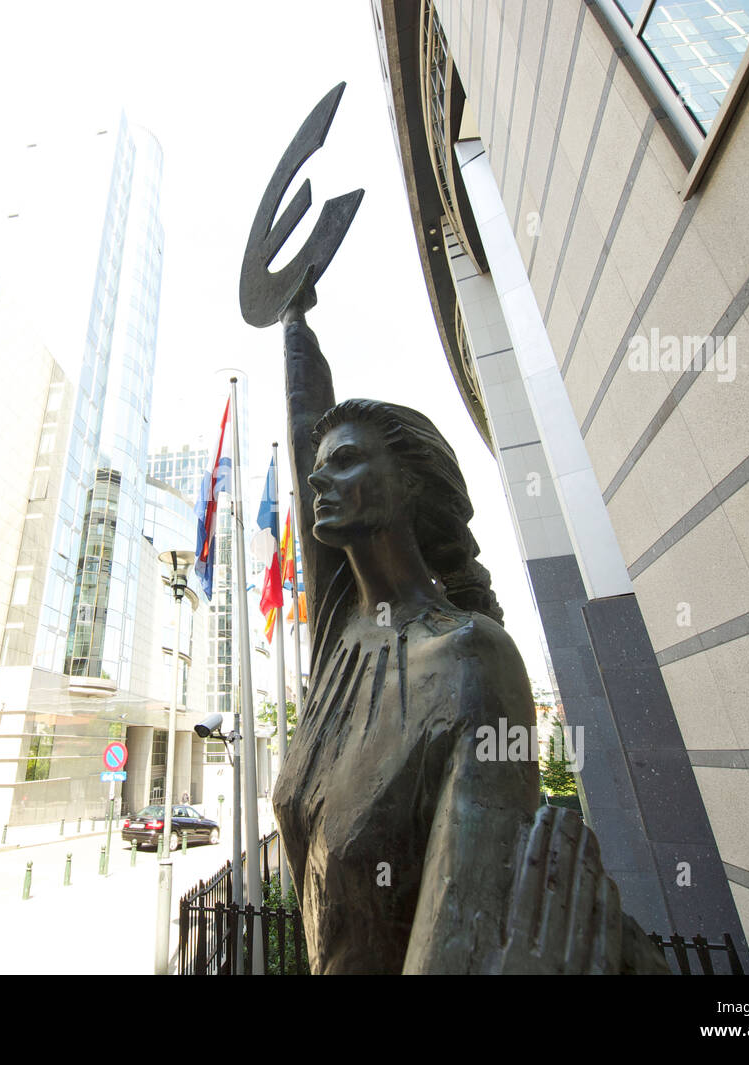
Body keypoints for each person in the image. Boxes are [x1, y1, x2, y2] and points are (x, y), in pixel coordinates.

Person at [272, 284, 664, 974]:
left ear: (410, 486)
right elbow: (305, 423)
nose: (319, 480)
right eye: (317, 467)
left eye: (346, 462)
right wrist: (293, 319)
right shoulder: (344, 633)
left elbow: (460, 938)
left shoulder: (471, 660)